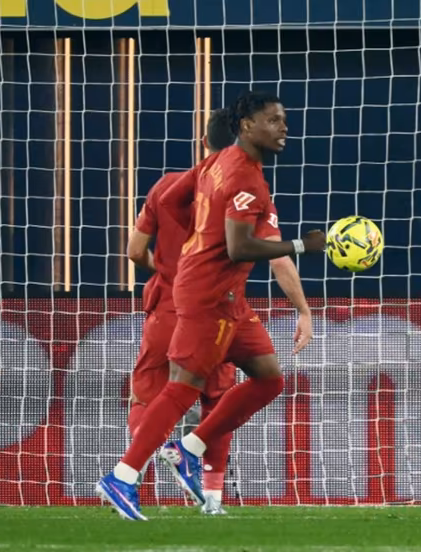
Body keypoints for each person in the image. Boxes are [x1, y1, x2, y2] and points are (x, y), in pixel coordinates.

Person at [97, 90, 326, 521]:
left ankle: (190, 448)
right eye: (274, 120)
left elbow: (167, 201)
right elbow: (240, 249)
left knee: (269, 379)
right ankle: (123, 476)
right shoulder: (246, 180)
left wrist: (193, 240)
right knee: (184, 386)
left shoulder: (213, 163)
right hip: (208, 295)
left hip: (222, 296)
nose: (284, 128)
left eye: (284, 119)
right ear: (246, 126)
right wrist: (302, 244)